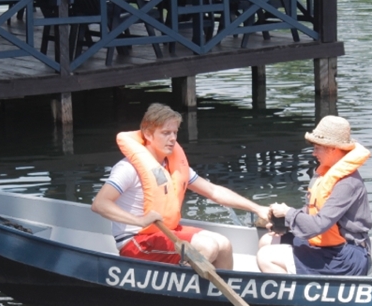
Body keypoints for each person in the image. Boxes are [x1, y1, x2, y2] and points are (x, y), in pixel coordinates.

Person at [91, 103, 267, 270]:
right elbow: (100, 204)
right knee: (207, 247)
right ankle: (180, 294)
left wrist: (257, 208)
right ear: (148, 134)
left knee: (224, 245)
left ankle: (217, 300)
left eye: (175, 133)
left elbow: (213, 191)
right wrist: (139, 221)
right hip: (136, 241)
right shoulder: (128, 168)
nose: (172, 139)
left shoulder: (174, 166)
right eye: (166, 133)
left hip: (166, 233)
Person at [256, 115, 372, 275]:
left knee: (265, 257)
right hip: (329, 246)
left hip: (347, 255)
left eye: (317, 147)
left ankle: (298, 298)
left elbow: (318, 225)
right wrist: (284, 222)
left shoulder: (346, 183)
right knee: (266, 241)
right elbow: (313, 213)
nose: (313, 153)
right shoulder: (327, 174)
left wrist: (288, 213)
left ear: (332, 148)